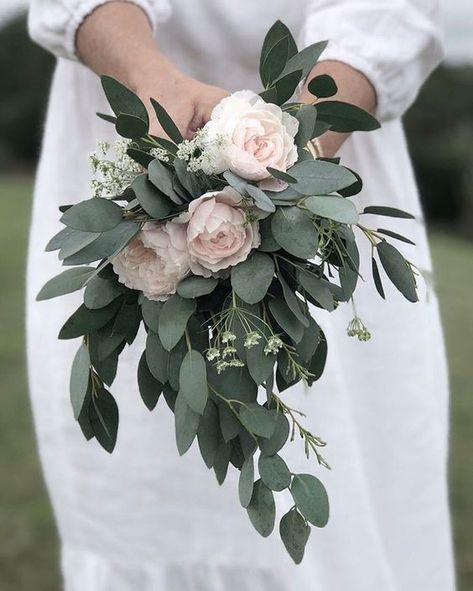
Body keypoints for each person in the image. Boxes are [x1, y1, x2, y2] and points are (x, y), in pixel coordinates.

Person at [27, 1, 455, 590]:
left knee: (346, 493)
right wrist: (148, 78)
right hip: (130, 161)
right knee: (144, 497)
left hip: (325, 166)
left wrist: (292, 154)